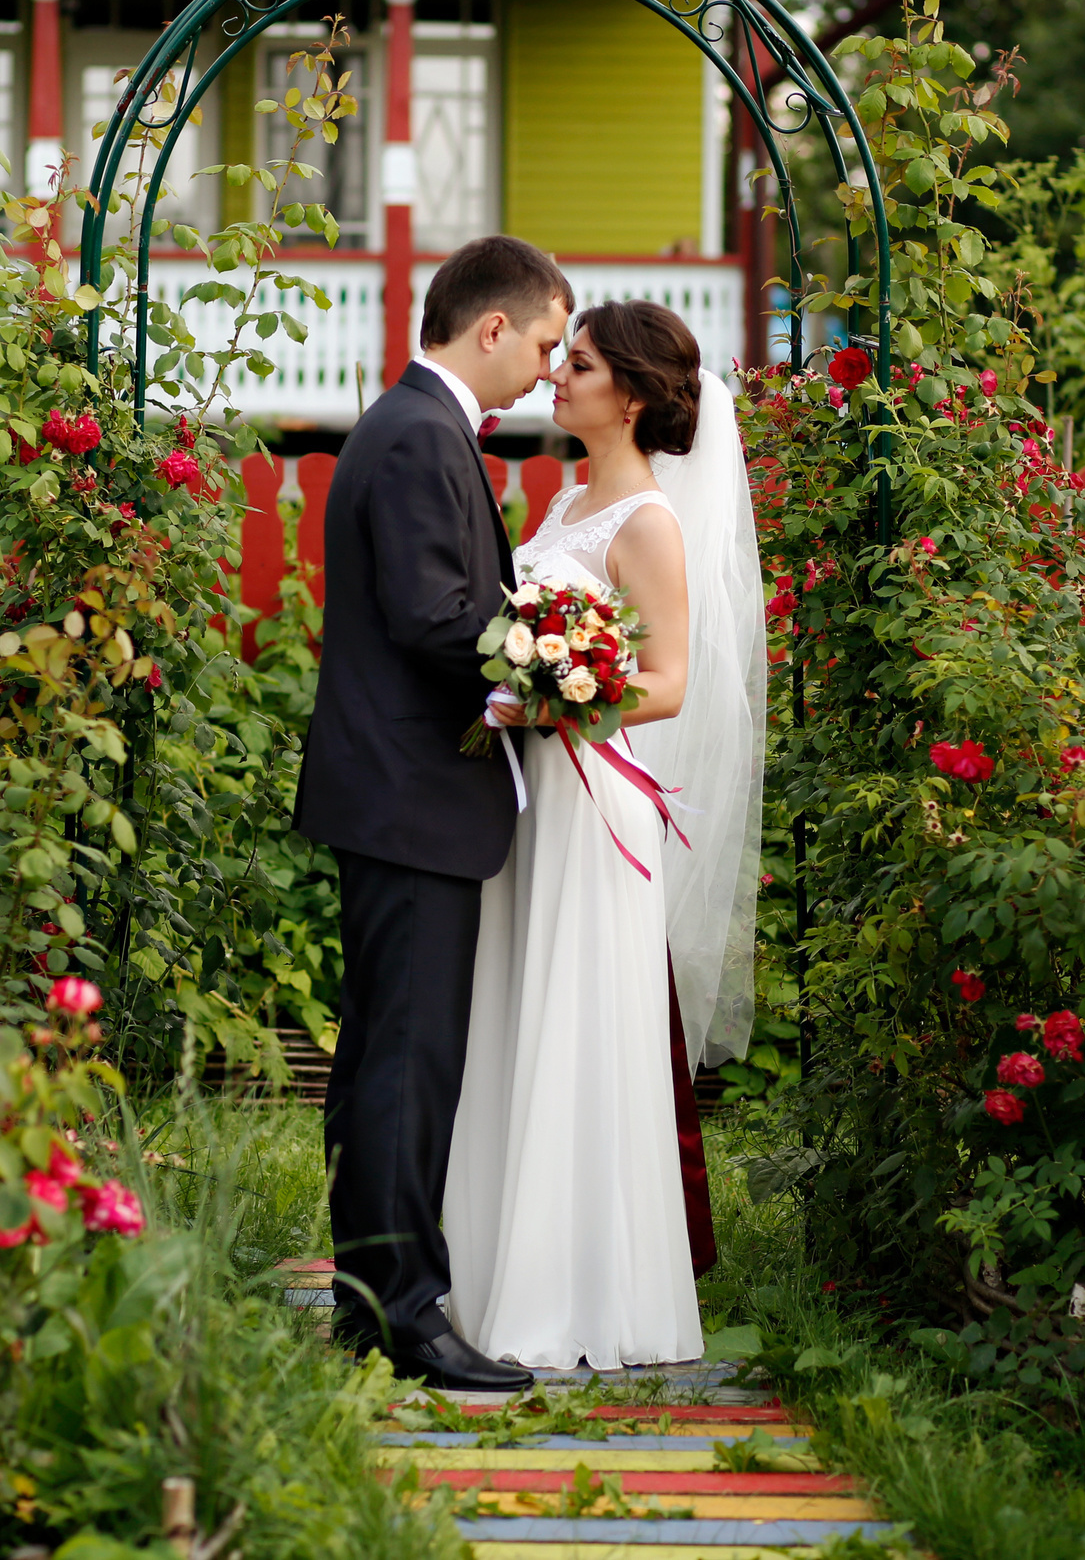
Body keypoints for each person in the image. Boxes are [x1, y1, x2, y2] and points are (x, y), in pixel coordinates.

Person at [443, 299, 767, 1370]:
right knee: (520, 1015)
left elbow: (668, 684)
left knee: (581, 1029)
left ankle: (587, 1296)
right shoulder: (567, 498)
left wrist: (547, 700)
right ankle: (498, 1277)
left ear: (627, 396)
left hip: (596, 803)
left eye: (575, 366)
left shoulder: (652, 526)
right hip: (537, 802)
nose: (554, 378)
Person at [292, 235, 571, 1393]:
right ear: (491, 326)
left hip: (400, 794)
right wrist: (555, 666)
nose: (553, 370)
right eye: (548, 344)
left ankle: (368, 1305)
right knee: (407, 1064)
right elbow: (429, 616)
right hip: (409, 796)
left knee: (381, 1061)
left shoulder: (410, 427)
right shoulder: (416, 437)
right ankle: (408, 1314)